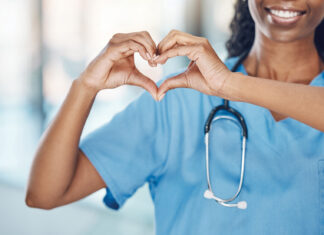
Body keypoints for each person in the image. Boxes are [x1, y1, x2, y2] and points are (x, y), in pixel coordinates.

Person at [26, 0, 324, 234]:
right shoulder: (178, 101)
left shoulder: (215, 84)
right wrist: (84, 86)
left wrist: (230, 85)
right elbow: (44, 193)